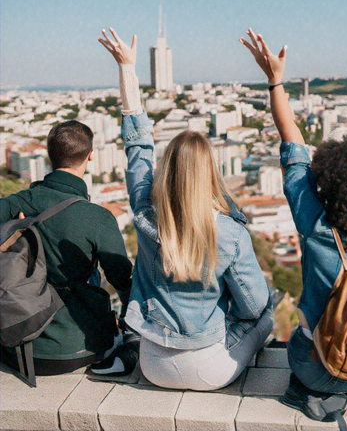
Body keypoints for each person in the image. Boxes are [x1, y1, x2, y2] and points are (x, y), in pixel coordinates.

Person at [240, 29, 347, 404]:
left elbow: (293, 151)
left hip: (315, 368)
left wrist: (275, 82)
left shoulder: (316, 226)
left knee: (294, 340)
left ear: (329, 184)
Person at [98, 27, 273, 390]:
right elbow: (252, 306)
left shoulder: (147, 213)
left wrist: (127, 69)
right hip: (210, 369)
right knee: (267, 314)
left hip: (152, 363)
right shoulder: (228, 231)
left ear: (169, 170)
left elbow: (138, 149)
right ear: (211, 172)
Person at [0, 120, 133, 375]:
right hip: (79, 347)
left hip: (16, 345)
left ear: (50, 156)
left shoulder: (17, 203)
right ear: (91, 155)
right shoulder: (97, 217)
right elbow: (123, 282)